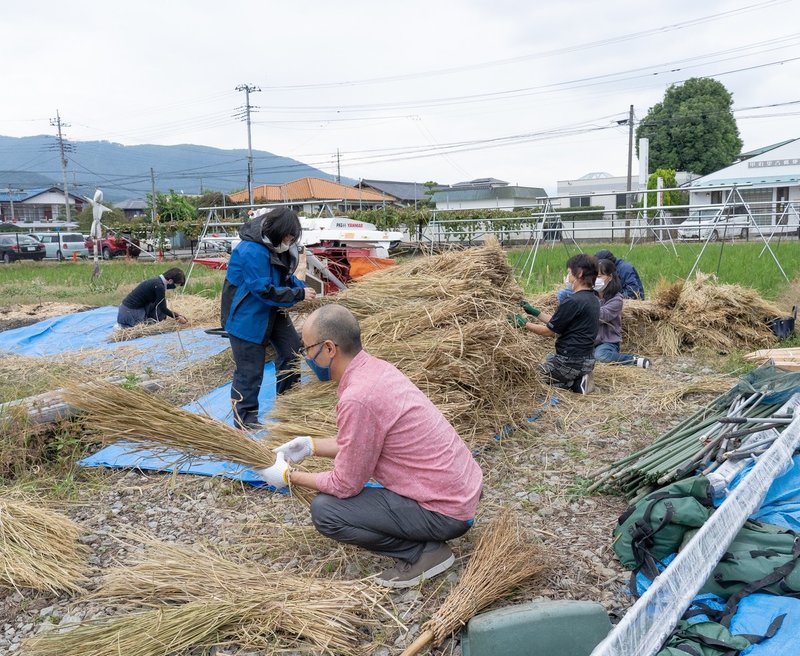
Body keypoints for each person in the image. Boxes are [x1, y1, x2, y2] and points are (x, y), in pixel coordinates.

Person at [259, 304, 483, 589]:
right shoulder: (375, 370)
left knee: (326, 511)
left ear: (329, 348)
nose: (305, 358)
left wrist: (289, 477)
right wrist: (311, 446)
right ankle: (423, 540)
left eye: (307, 349)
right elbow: (363, 443)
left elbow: (345, 485)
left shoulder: (358, 397)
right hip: (461, 490)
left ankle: (424, 554)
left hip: (446, 510)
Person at [221, 207, 316, 429]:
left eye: (291, 238)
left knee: (291, 351)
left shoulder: (274, 246)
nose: (288, 241)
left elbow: (284, 277)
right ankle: (245, 420)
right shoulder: (251, 250)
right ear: (276, 231)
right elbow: (263, 290)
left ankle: (288, 405)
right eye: (287, 237)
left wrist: (302, 287)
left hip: (272, 310)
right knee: (249, 370)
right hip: (247, 315)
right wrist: (299, 295)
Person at [516, 253, 600, 394]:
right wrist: (535, 313)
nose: (568, 277)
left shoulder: (572, 301)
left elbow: (549, 331)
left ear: (579, 273)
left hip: (569, 362)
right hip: (587, 361)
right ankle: (578, 379)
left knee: (529, 378)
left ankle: (574, 382)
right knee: (549, 358)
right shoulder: (592, 299)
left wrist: (524, 324)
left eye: (569, 273)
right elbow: (559, 322)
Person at [593, 259, 651, 368]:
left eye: (600, 276)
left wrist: (582, 310)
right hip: (590, 341)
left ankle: (632, 359)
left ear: (610, 277)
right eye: (594, 276)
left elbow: (601, 316)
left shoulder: (617, 299)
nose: (596, 279)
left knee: (601, 356)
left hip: (607, 342)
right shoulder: (590, 295)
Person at [117, 267, 188, 327]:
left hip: (124, 310)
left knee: (161, 306)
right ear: (170, 281)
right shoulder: (159, 287)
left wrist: (176, 315)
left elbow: (160, 304)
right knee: (148, 326)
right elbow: (163, 308)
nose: (175, 287)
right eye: (177, 284)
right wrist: (177, 317)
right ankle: (124, 326)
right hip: (129, 312)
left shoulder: (156, 282)